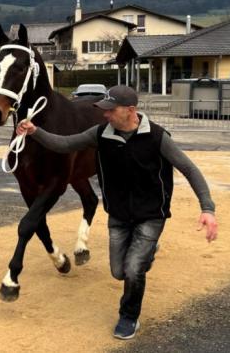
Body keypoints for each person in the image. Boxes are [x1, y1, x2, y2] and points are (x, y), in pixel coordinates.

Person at [15, 85, 218, 340]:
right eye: (104, 110)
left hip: (150, 214)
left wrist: (207, 208)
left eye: (111, 110)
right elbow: (65, 144)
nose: (105, 115)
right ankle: (146, 256)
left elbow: (189, 169)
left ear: (131, 111)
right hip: (120, 216)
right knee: (118, 271)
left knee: (133, 270)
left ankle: (128, 316)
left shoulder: (157, 137)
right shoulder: (101, 134)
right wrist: (35, 131)